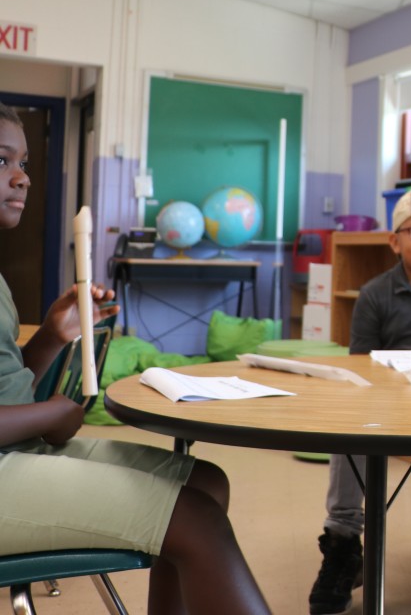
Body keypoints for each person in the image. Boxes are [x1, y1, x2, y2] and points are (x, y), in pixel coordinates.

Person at [0, 102, 270, 615]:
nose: (22, 179)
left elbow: (7, 382)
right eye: (1, 161)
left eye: (25, 163)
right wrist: (52, 414)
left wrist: (54, 337)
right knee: (196, 520)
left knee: (206, 481)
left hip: (18, 453)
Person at [309, 188, 411, 615]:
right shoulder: (374, 293)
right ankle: (343, 544)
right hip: (389, 400)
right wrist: (410, 361)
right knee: (348, 427)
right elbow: (360, 368)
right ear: (395, 240)